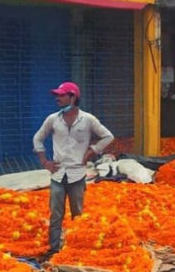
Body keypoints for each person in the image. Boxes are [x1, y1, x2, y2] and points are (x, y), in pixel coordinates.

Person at [33, 82, 114, 258]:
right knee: (56, 214)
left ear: (73, 97)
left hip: (77, 174)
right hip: (57, 174)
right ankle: (54, 249)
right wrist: (44, 162)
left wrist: (92, 151)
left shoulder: (88, 120)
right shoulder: (53, 119)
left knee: (77, 214)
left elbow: (108, 136)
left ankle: (78, 247)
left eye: (61, 95)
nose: (57, 98)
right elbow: (37, 139)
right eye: (57, 95)